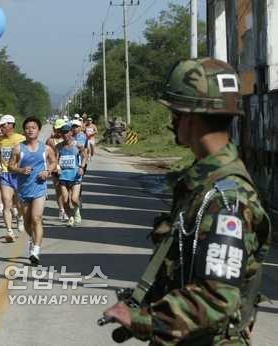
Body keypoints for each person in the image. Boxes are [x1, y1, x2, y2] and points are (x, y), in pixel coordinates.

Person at [103, 58, 271, 344]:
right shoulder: (205, 183)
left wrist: (143, 319)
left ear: (188, 118)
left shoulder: (226, 199)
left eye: (174, 114)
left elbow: (217, 299)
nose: (172, 123)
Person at [8, 117, 56, 265]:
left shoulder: (46, 148)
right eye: (27, 127)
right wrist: (21, 170)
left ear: (38, 130)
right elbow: (10, 166)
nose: (30, 130)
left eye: (33, 127)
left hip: (39, 188)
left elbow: (54, 162)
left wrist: (47, 172)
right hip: (23, 190)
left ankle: (36, 249)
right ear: (24, 130)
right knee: (28, 222)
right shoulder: (18, 148)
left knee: (36, 218)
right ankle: (32, 239)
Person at [0, 114, 26, 242]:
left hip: (18, 174)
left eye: (3, 125)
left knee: (19, 203)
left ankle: (19, 217)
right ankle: (9, 232)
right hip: (5, 174)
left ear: (11, 125)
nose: (1, 127)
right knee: (6, 202)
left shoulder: (21, 138)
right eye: (0, 125)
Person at [56, 124, 87, 227]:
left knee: (74, 199)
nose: (65, 134)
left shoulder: (77, 145)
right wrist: (58, 168)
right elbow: (55, 160)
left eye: (66, 132)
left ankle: (77, 211)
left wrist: (82, 167)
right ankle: (71, 218)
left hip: (75, 176)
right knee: (65, 200)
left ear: (70, 132)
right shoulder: (58, 146)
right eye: (63, 132)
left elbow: (84, 156)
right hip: (63, 176)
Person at [46, 119, 67, 221]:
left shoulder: (68, 138)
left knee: (68, 190)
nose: (59, 131)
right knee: (59, 190)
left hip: (68, 168)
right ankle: (61, 209)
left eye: (61, 129)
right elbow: (47, 156)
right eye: (58, 129)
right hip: (56, 169)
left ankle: (69, 208)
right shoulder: (50, 141)